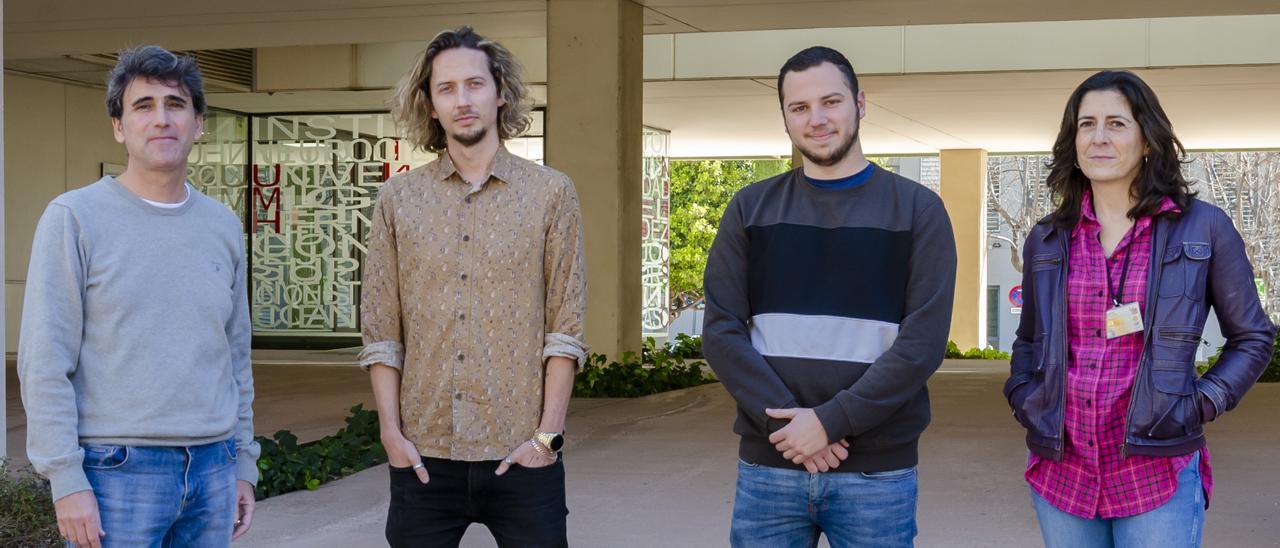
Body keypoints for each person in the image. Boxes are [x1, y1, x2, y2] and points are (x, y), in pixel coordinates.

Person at [1004, 70, 1277, 548]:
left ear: (1148, 140)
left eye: (1116, 123)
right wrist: (1026, 396)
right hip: (1062, 470)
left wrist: (1202, 401)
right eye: (1086, 125)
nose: (1099, 137)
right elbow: (1030, 339)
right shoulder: (1046, 238)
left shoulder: (1203, 227)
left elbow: (1252, 336)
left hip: (1155, 468)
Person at [702, 46, 957, 547]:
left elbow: (921, 345)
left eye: (830, 102)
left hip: (876, 476)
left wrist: (828, 422)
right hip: (769, 469)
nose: (816, 119)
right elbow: (722, 331)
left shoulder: (918, 210)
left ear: (860, 103)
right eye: (799, 108)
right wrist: (796, 430)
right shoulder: (750, 208)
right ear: (784, 118)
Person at [18, 45, 259, 548]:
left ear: (198, 124)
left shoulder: (222, 225)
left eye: (175, 104)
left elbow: (235, 357)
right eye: (143, 106)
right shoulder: (75, 218)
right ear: (119, 127)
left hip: (213, 467)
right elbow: (44, 361)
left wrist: (242, 463)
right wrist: (66, 480)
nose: (161, 119)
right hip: (116, 472)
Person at [360, 26, 587, 548]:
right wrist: (391, 437)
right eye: (446, 89)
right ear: (431, 105)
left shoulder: (551, 194)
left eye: (474, 84)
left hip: (523, 457)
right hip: (423, 460)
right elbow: (381, 332)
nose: (462, 100)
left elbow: (566, 327)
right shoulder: (398, 199)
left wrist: (547, 438)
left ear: (499, 91)